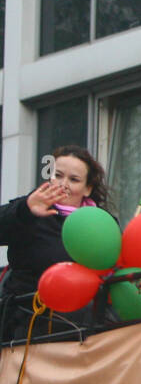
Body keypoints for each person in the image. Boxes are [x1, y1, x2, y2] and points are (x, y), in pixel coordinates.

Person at [0, 145, 112, 340]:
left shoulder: (102, 223)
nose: (63, 184)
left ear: (88, 189)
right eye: (58, 175)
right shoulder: (28, 210)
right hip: (29, 329)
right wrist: (26, 209)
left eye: (74, 179)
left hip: (85, 332)